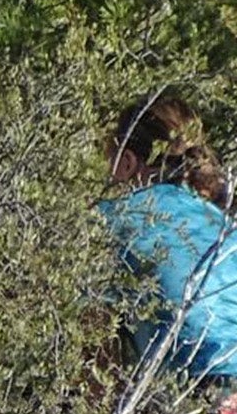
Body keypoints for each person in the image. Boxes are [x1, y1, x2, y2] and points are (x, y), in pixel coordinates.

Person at [98, 92, 237, 382]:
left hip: (202, 387)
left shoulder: (112, 218)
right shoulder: (222, 225)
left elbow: (91, 337)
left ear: (127, 162)